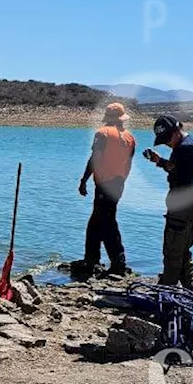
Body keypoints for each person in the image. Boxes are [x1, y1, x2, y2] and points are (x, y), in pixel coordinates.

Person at [143, 115, 193, 293]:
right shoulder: (185, 145)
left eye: (167, 138)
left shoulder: (186, 148)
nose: (166, 143)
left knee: (172, 252)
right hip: (190, 209)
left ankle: (167, 293)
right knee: (182, 249)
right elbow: (178, 169)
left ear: (177, 130)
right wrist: (159, 161)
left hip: (184, 209)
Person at [77, 102, 137, 277]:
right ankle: (91, 260)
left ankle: (118, 262)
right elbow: (128, 161)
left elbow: (95, 158)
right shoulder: (130, 138)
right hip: (118, 184)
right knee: (96, 221)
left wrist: (83, 180)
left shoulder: (102, 133)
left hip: (105, 183)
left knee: (107, 223)